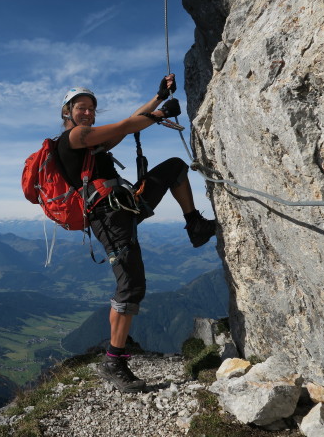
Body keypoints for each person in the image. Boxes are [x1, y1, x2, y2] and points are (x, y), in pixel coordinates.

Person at [55, 75, 216, 392]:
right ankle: (114, 362)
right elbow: (128, 126)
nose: (87, 112)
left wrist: (157, 99)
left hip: (126, 206)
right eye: (80, 108)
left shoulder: (93, 144)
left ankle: (194, 224)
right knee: (130, 287)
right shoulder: (75, 138)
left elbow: (129, 123)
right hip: (108, 218)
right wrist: (158, 114)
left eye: (91, 108)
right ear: (68, 113)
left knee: (174, 167)